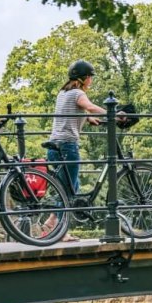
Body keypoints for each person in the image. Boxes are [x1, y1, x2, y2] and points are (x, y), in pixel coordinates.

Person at [47, 60, 109, 199]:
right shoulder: (78, 93)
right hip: (67, 146)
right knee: (67, 192)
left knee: (71, 186)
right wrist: (111, 112)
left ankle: (55, 219)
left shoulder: (62, 93)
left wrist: (88, 118)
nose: (91, 80)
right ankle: (53, 220)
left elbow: (69, 110)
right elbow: (90, 107)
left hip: (53, 147)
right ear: (84, 78)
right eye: (90, 77)